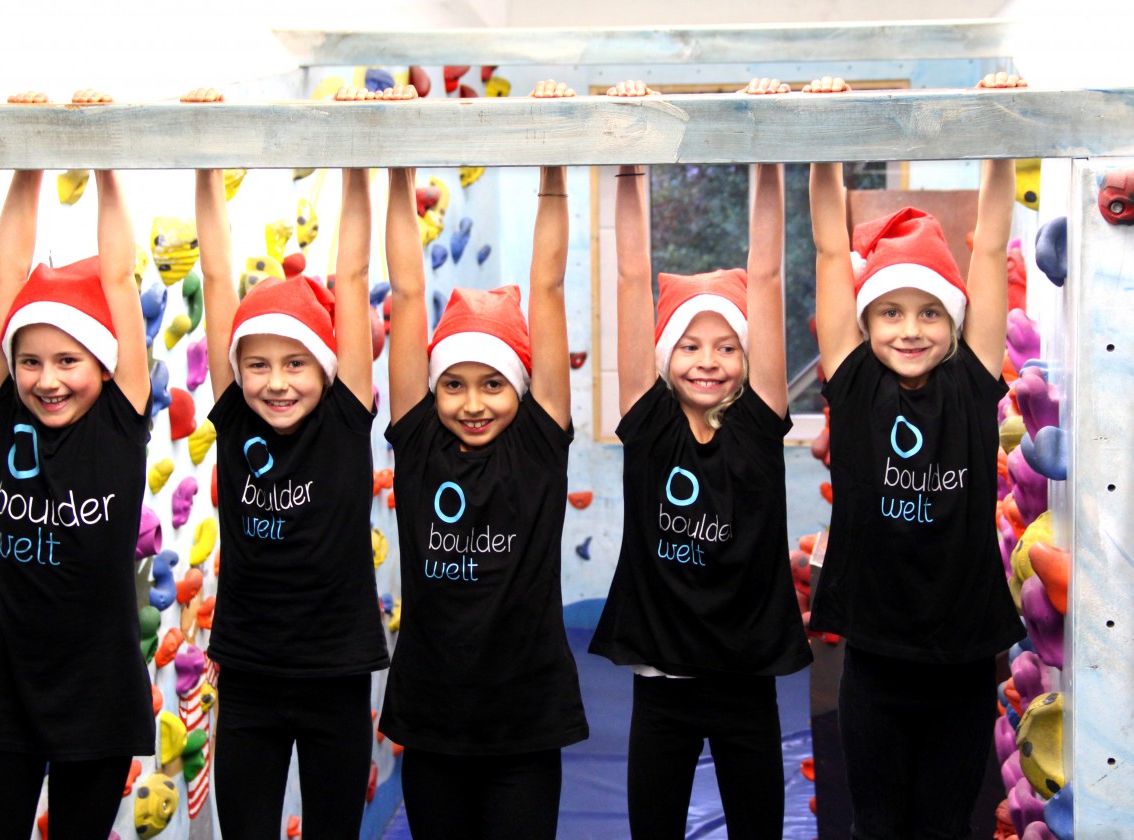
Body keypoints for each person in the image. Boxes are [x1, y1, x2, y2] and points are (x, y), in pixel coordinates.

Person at [805, 72, 1028, 838]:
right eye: (891, 313)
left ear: (955, 324)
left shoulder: (971, 383)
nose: (910, 329)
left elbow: (989, 245)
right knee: (877, 822)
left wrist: (1000, 133)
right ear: (864, 325)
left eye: (931, 313)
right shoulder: (855, 384)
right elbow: (830, 248)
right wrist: (824, 133)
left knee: (943, 823)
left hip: (962, 657)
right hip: (876, 654)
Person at [588, 78, 812, 839]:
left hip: (747, 678)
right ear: (664, 357)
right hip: (664, 681)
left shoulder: (758, 424)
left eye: (726, 346)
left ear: (748, 361)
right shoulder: (647, 422)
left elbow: (769, 275)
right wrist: (631, 154)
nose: (708, 361)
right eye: (689, 345)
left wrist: (767, 146)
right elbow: (630, 277)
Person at [380, 79, 588, 840]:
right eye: (454, 384)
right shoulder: (419, 444)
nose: (472, 402)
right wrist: (396, 163)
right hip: (433, 718)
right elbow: (408, 295)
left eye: (493, 384)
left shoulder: (537, 444)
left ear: (521, 389)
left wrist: (555, 161)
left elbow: (548, 286)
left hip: (524, 719)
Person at [0, 89, 154, 840]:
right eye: (30, 360)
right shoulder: (10, 411)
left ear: (102, 364)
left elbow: (120, 280)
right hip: (6, 682)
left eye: (68, 360)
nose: (46, 379)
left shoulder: (120, 420)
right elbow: (5, 279)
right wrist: (27, 155)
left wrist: (104, 157)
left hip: (97, 688)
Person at [187, 85, 389, 838]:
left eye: (296, 363)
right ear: (238, 370)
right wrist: (206, 158)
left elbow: (352, 275)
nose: (276, 382)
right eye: (259, 364)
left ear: (326, 368)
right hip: (248, 674)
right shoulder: (236, 413)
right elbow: (216, 277)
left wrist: (359, 153)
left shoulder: (344, 413)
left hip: (337, 673)